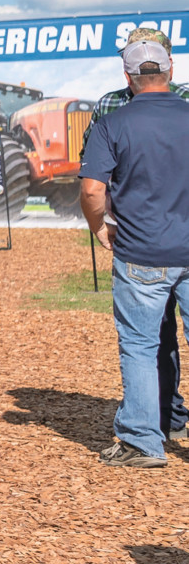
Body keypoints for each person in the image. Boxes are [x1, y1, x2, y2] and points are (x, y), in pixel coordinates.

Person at [79, 27, 189, 466]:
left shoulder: (112, 120)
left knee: (141, 347)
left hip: (141, 253)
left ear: (128, 77)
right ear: (171, 70)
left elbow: (91, 191)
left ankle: (144, 442)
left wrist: (100, 228)